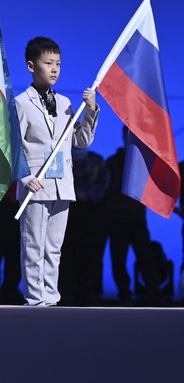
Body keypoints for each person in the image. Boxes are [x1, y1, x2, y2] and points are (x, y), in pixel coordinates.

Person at [15, 36, 99, 307]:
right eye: (48, 63)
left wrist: (91, 109)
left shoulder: (64, 102)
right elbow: (12, 146)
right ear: (31, 66)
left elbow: (81, 141)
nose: (54, 69)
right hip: (36, 186)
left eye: (58, 64)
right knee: (33, 246)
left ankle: (50, 297)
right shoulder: (21, 103)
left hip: (62, 184)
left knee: (54, 247)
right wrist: (26, 177)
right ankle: (35, 299)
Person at [105, 126, 162, 306]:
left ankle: (155, 295)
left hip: (137, 218)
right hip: (117, 218)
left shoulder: (144, 161)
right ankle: (124, 295)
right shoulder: (113, 161)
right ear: (123, 136)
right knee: (119, 259)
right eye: (127, 134)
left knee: (146, 257)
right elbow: (105, 188)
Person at [58, 147, 109, 306]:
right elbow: (55, 181)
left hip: (92, 214)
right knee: (66, 253)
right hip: (66, 212)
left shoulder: (97, 159)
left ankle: (91, 292)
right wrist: (72, 193)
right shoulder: (59, 157)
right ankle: (67, 291)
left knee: (93, 254)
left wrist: (88, 195)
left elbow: (104, 181)